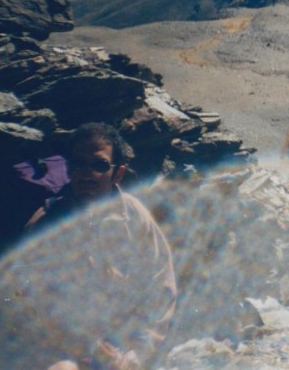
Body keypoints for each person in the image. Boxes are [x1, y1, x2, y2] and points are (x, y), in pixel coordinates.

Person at [25, 123, 177, 370]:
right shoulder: (46, 223)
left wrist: (137, 353)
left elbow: (161, 286)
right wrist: (80, 347)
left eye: (99, 165)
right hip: (63, 348)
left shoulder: (135, 217)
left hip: (125, 347)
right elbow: (32, 300)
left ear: (118, 173)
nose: (87, 174)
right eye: (78, 165)